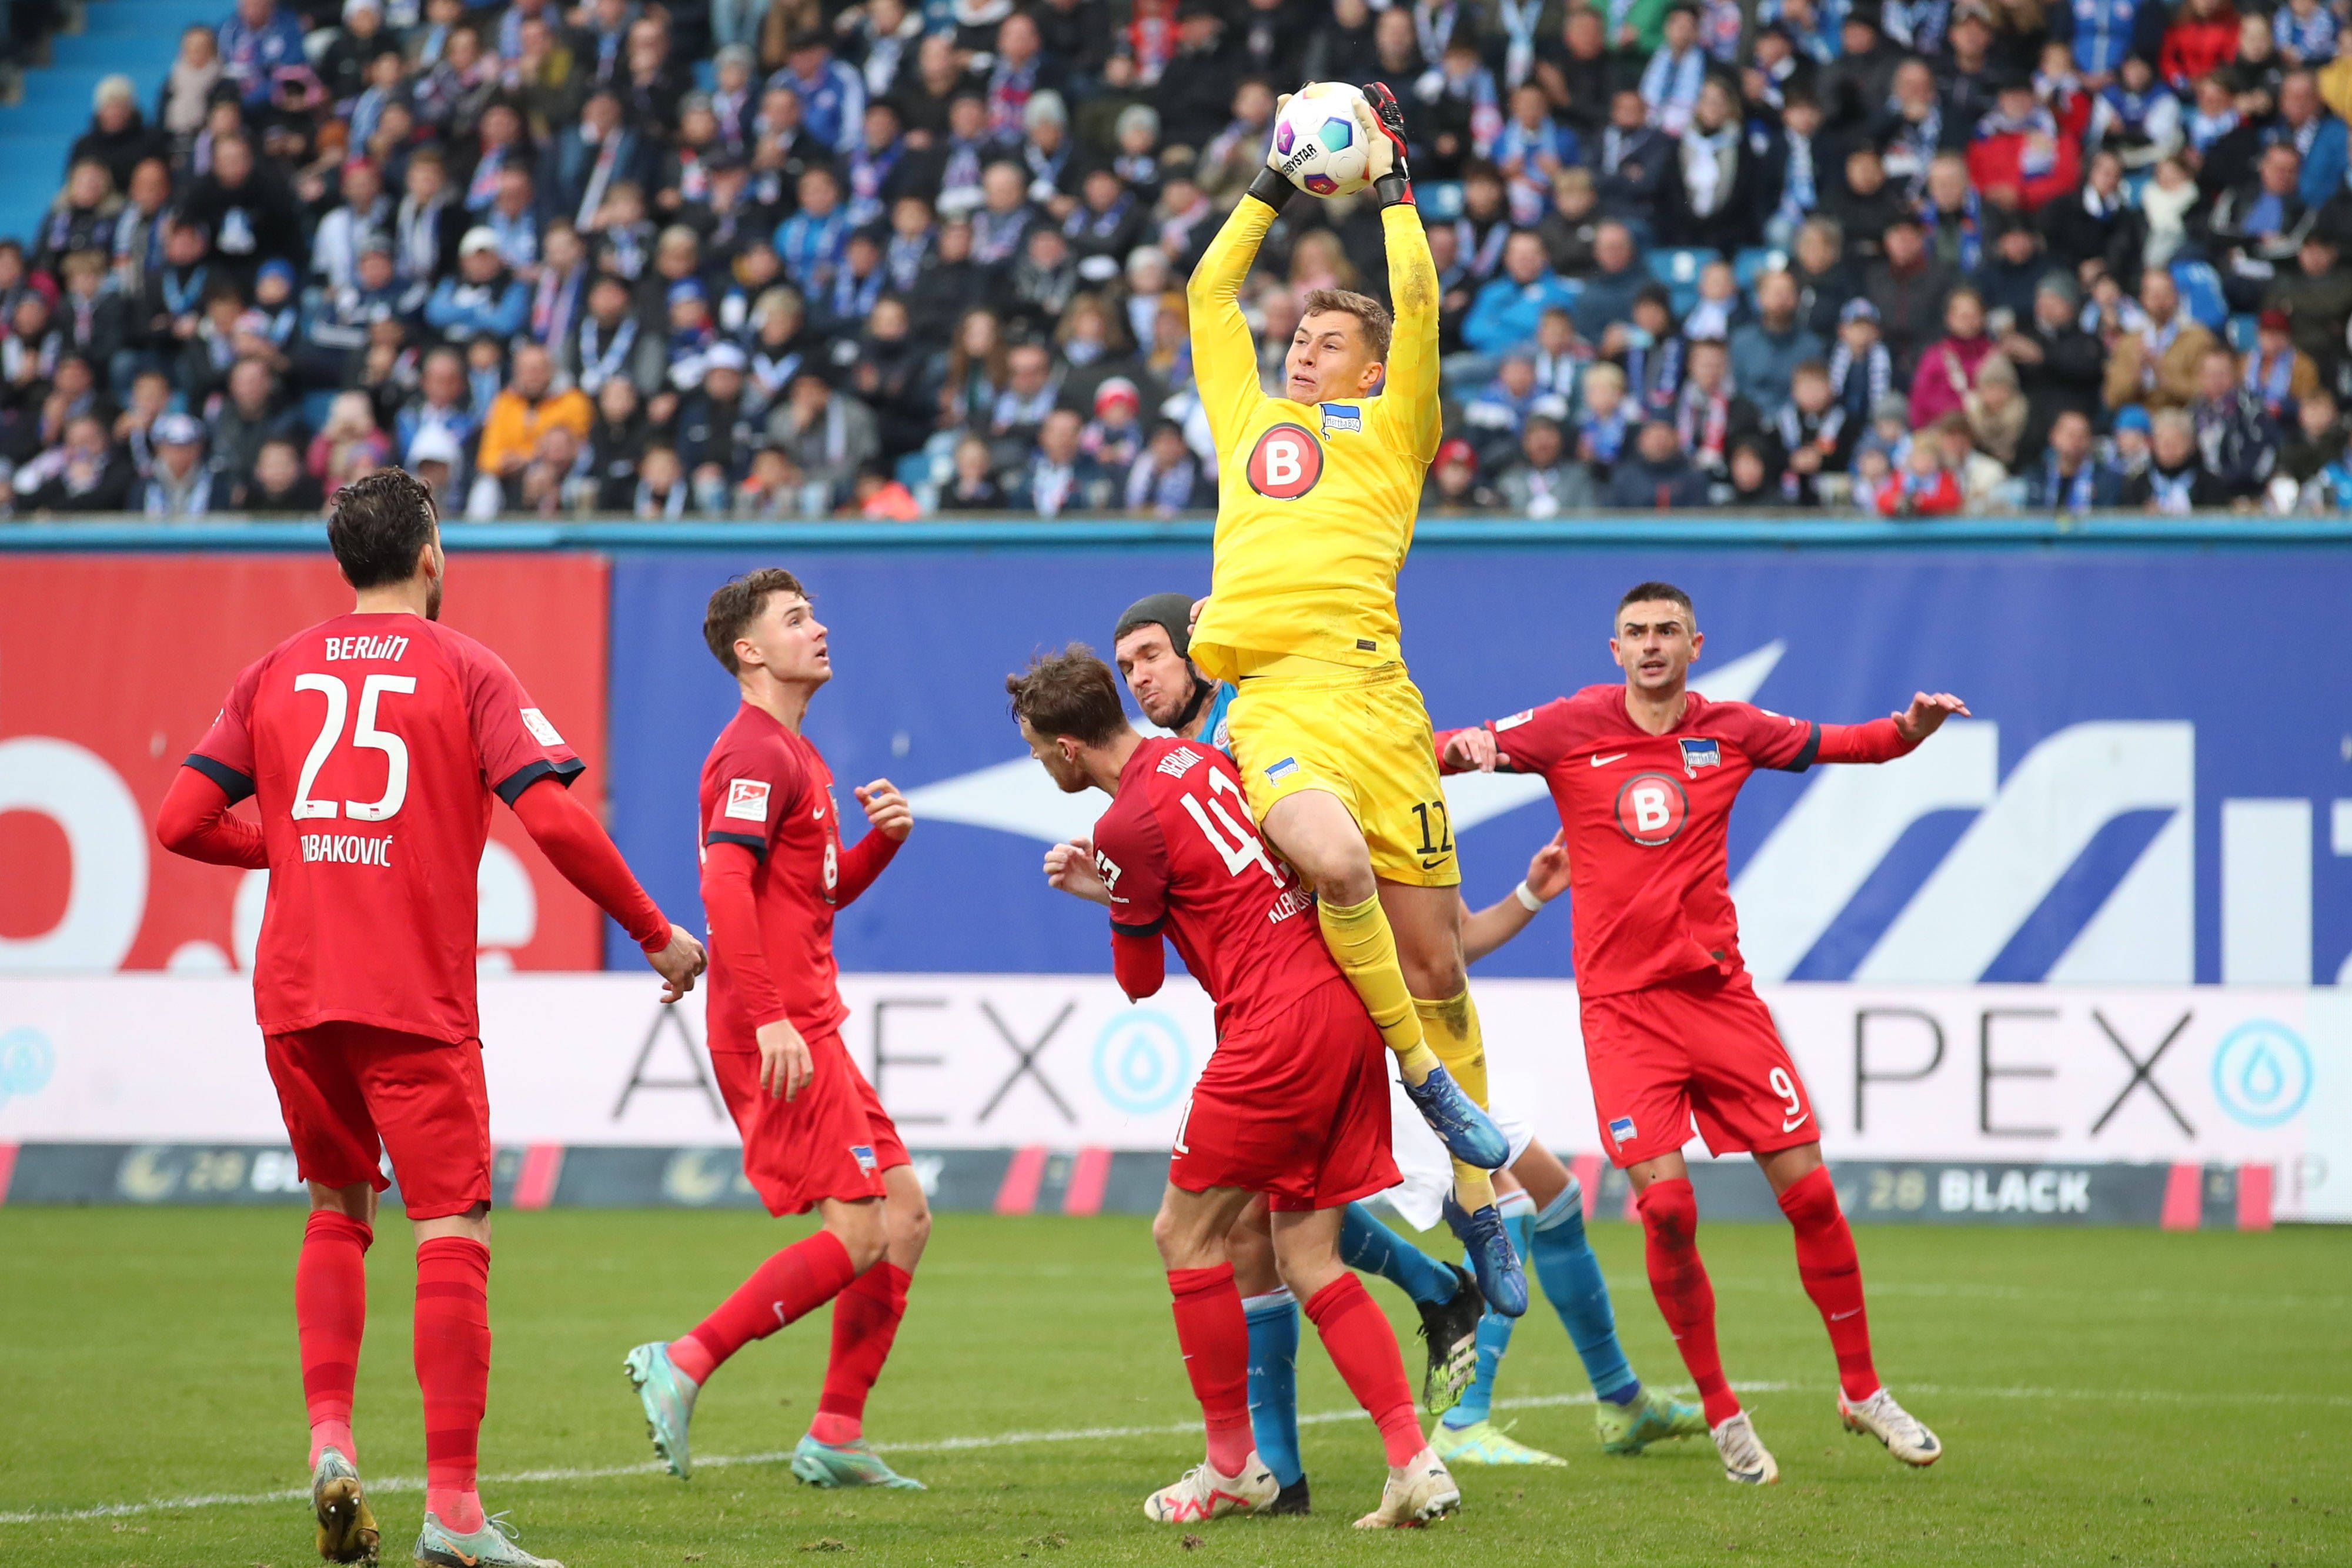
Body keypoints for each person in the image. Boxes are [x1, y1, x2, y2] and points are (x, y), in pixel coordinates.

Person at [155, 469, 705, 1568]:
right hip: (411, 997)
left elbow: (181, 820)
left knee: (335, 1208)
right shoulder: (465, 667)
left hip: (296, 996)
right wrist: (655, 932)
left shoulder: (276, 668)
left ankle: (330, 1440)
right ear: (431, 553)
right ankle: (453, 1514)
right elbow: (555, 821)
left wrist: (290, 842)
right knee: (452, 1229)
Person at [1093, 596, 1703, 1485]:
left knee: (1496, 1200)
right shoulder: (1208, 766)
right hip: (1329, 1022)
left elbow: (1440, 936)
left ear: (1200, 652)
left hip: (1362, 1028)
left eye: (1152, 655)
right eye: (1127, 666)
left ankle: (1503, 1403)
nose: (1141, 677)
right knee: (1279, 1228)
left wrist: (1521, 883)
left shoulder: (1270, 737)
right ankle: (1469, 1391)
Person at [1434, 580, 1959, 1485]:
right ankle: (1722, 1410)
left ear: (1694, 645)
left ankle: (1864, 1390)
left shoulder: (1733, 729)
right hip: (1624, 1016)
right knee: (1669, 1212)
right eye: (1635, 633)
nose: (1651, 645)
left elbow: (1847, 743)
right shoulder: (1570, 725)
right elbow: (1439, 750)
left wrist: (1908, 729)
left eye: (1667, 631)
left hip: (1720, 1001)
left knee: (1812, 1197)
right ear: (1615, 651)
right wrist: (1462, 746)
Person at [1182, 80, 1523, 1311]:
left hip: (1379, 706)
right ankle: (1425, 1088)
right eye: (1299, 336)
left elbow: (1418, 296)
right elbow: (1207, 293)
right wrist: (1273, 183)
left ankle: (1481, 1202)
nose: (1298, 348)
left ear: (1372, 367)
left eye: (1325, 341)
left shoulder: (1393, 432)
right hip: (1275, 706)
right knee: (1331, 866)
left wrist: (1390, 185)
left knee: (1437, 969)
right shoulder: (1246, 420)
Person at [1005, 644, 1459, 1530]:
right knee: (1308, 1255)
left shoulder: (1122, 824)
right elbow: (1222, 883)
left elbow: (1140, 980)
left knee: (1184, 1233)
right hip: (1344, 1002)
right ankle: (1414, 1463)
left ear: (1067, 749)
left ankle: (1230, 1467)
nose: (1038, 765)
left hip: (1274, 1028)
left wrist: (1111, 895)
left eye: (1035, 750)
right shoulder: (1199, 758)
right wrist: (1122, 891)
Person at [624, 569, 928, 1493]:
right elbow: (724, 885)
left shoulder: (795, 753)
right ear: (749, 651)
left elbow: (814, 894)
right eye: (797, 620)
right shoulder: (755, 752)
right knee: (861, 1230)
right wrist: (768, 1019)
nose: (819, 629)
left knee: (904, 1217)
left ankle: (835, 1432)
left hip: (806, 1022)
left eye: (815, 614)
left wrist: (883, 845)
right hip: (780, 1028)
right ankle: (683, 1361)